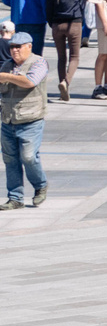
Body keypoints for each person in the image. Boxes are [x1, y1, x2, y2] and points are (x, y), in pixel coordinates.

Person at [0, 29, 46, 208]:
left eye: (18, 47)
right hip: (8, 120)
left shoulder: (38, 63)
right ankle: (15, 197)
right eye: (12, 47)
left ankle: (40, 186)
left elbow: (30, 82)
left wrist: (6, 77)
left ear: (29, 47)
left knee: (28, 157)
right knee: (10, 159)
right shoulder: (6, 65)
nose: (14, 51)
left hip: (31, 120)